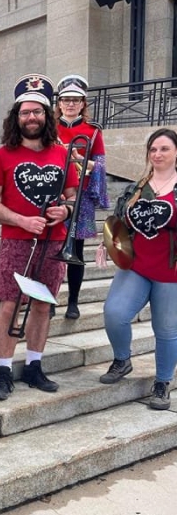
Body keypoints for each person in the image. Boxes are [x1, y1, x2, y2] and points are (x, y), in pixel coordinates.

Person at [0, 74, 78, 401]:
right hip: (16, 241)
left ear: (47, 116)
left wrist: (64, 210)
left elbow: (73, 196)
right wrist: (22, 220)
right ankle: (3, 370)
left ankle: (34, 366)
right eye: (25, 112)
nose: (31, 117)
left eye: (37, 112)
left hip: (53, 242)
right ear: (16, 117)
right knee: (9, 305)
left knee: (42, 306)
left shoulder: (62, 153)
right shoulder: (1, 156)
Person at [100, 128, 177, 410]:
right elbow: (119, 220)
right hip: (137, 265)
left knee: (167, 329)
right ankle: (123, 359)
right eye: (153, 149)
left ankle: (162, 383)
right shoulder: (136, 187)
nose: (157, 154)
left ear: (176, 152)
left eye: (164, 149)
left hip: (171, 271)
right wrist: (106, 243)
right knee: (115, 313)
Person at [54, 75, 109, 319]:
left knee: (76, 251)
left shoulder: (92, 131)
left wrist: (77, 158)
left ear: (83, 103)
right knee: (51, 249)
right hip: (54, 193)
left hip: (81, 196)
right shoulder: (49, 128)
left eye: (75, 100)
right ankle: (49, 300)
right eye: (66, 99)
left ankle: (73, 302)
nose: (70, 104)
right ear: (59, 103)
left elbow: (99, 165)